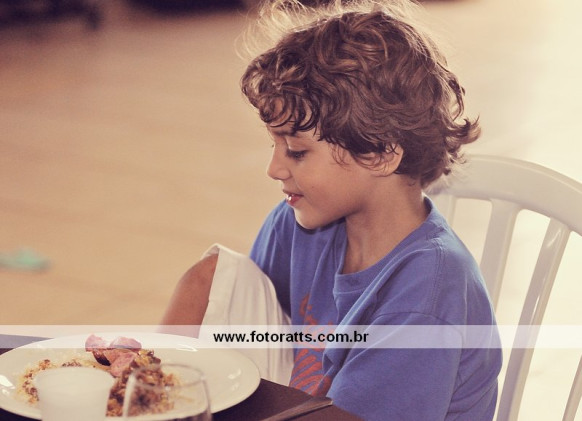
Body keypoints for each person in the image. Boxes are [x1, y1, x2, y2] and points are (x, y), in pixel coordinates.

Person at [161, 0, 502, 419]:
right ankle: (146, 397)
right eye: (275, 145)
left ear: (380, 154)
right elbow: (244, 322)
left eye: (297, 151)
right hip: (304, 399)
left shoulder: (427, 297)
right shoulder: (298, 222)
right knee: (211, 277)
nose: (274, 169)